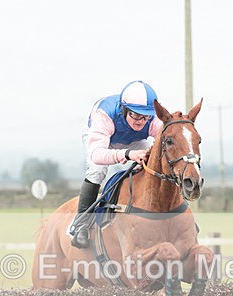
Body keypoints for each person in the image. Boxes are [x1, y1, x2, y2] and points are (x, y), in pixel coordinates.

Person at [70, 80, 164, 248]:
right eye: (135, 115)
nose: (141, 121)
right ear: (124, 109)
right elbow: (97, 155)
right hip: (102, 141)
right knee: (96, 171)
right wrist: (127, 154)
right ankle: (81, 225)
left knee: (150, 165)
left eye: (145, 116)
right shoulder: (104, 114)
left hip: (135, 141)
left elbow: (166, 141)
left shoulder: (154, 119)